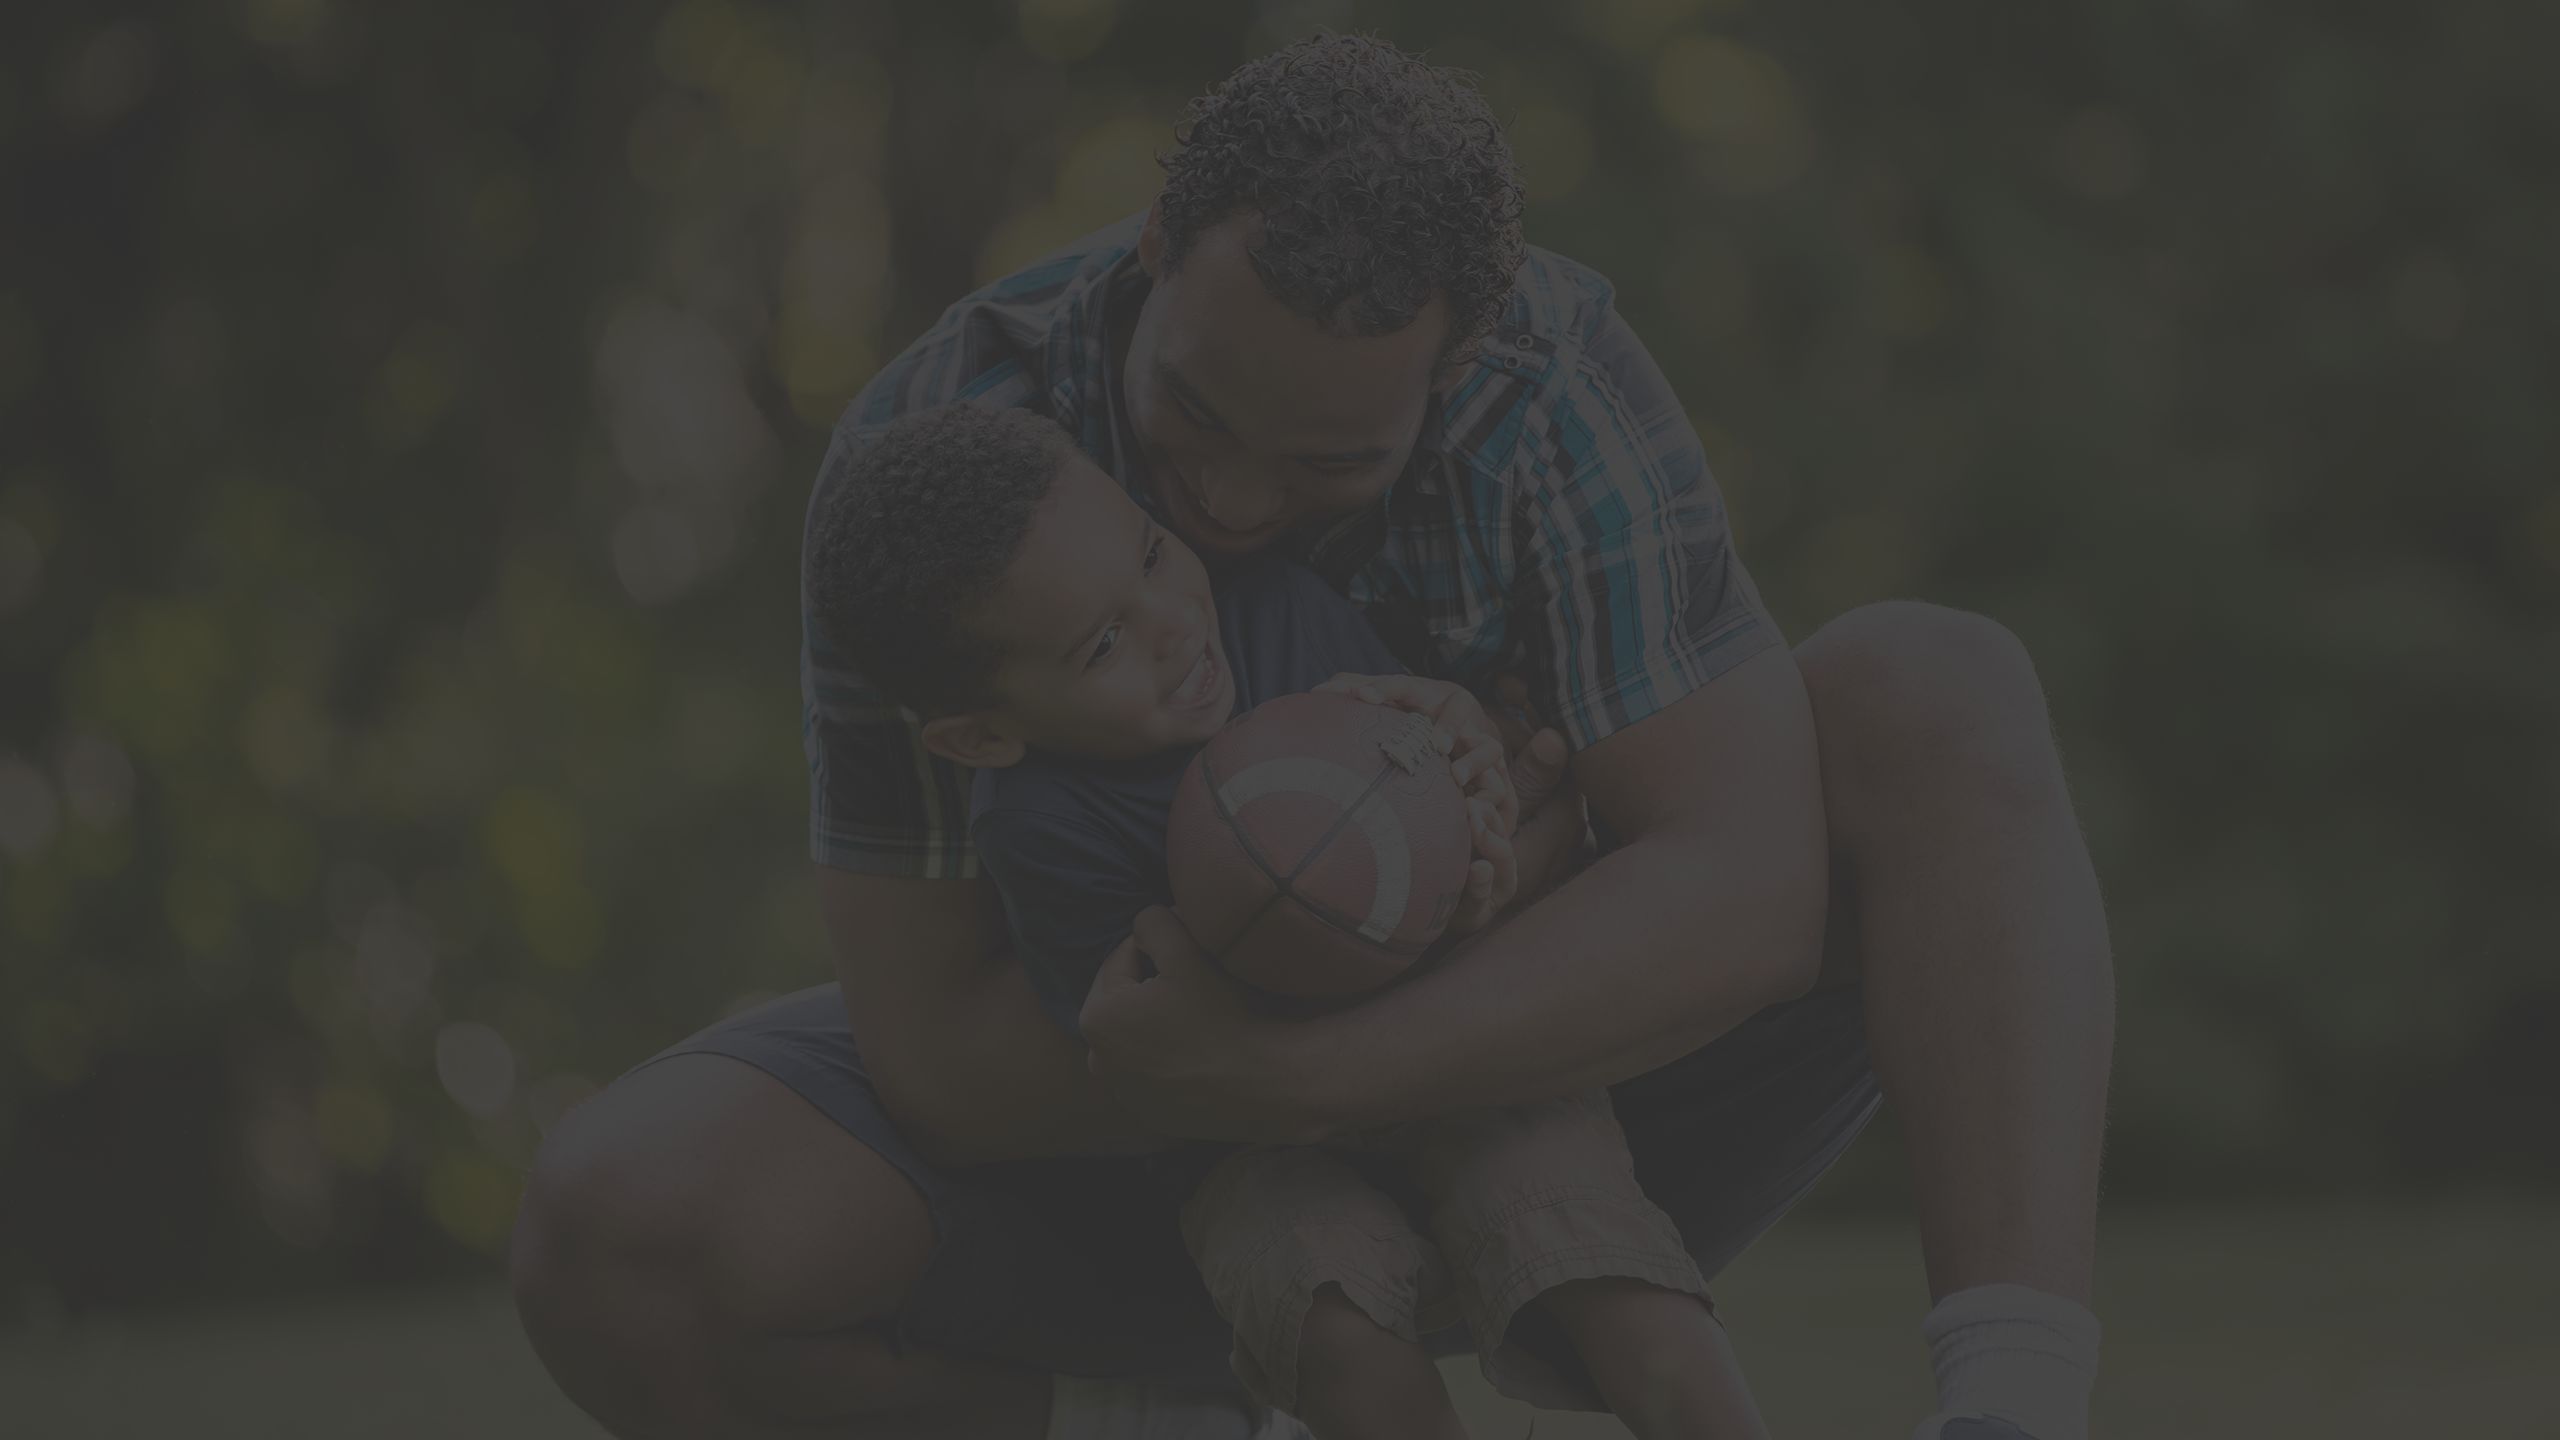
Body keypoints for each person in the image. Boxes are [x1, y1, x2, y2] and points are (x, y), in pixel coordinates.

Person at [512, 32, 2114, 1440]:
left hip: (1561, 1089)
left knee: (1940, 687)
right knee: (616, 1230)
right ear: (1153, 240)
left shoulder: (1554, 387)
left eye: (1332, 461)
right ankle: (1169, 1422)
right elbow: (937, 1047)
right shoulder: (938, 462)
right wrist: (1239, 1075)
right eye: (1196, 416)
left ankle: (2010, 1407)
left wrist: (1317, 1063)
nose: (1228, 508)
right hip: (1141, 1132)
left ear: (1462, 361)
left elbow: (1751, 888)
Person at [801, 398, 1773, 1440]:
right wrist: (1308, 926)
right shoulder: (1041, 827)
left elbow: (1464, 831)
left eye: (1151, 554)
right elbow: (1160, 1042)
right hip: (1247, 1142)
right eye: (1104, 643)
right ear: (982, 737)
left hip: (1463, 1061)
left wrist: (1478, 830)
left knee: (1598, 1258)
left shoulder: (1279, 613)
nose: (1174, 624)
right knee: (1333, 1332)